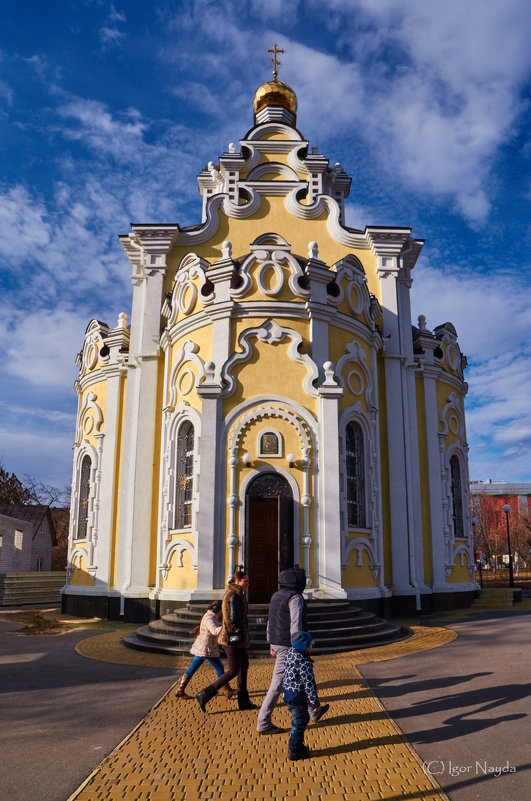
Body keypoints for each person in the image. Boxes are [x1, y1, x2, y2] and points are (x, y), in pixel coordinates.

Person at [196, 568, 257, 712]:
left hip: (237, 638)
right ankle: (205, 694)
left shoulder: (236, 594)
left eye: (248, 581)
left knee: (243, 666)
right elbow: (235, 619)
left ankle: (244, 702)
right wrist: (243, 630)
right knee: (234, 670)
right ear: (237, 581)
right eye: (245, 581)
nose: (248, 583)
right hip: (232, 639)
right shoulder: (235, 596)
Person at [257, 567, 308, 734]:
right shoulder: (295, 597)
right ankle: (263, 722)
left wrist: (271, 643)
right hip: (289, 645)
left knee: (302, 678)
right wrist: (299, 647)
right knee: (277, 684)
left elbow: (270, 620)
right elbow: (296, 624)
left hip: (277, 642)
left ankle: (313, 711)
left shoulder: (276, 595)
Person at [175, 600, 237, 700]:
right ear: (218, 610)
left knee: (193, 668)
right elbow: (214, 630)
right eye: (223, 610)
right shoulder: (209, 618)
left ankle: (180, 690)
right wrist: (226, 627)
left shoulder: (211, 616)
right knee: (220, 668)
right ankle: (227, 690)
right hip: (206, 649)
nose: (223, 612)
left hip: (203, 646)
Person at [282, 631, 328, 761]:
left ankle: (299, 746)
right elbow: (309, 685)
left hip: (289, 693)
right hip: (297, 696)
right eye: (310, 643)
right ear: (304, 646)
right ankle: (294, 751)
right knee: (298, 724)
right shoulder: (303, 662)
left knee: (300, 721)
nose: (312, 645)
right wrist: (315, 703)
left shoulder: (291, 652)